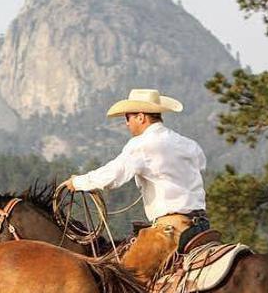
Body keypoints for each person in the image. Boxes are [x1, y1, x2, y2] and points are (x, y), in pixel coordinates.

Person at [60, 88, 209, 257]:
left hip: (171, 229)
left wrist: (78, 182)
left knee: (125, 276)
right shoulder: (189, 144)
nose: (127, 123)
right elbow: (201, 165)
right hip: (201, 227)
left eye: (128, 117)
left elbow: (113, 175)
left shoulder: (141, 145)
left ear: (141, 117)